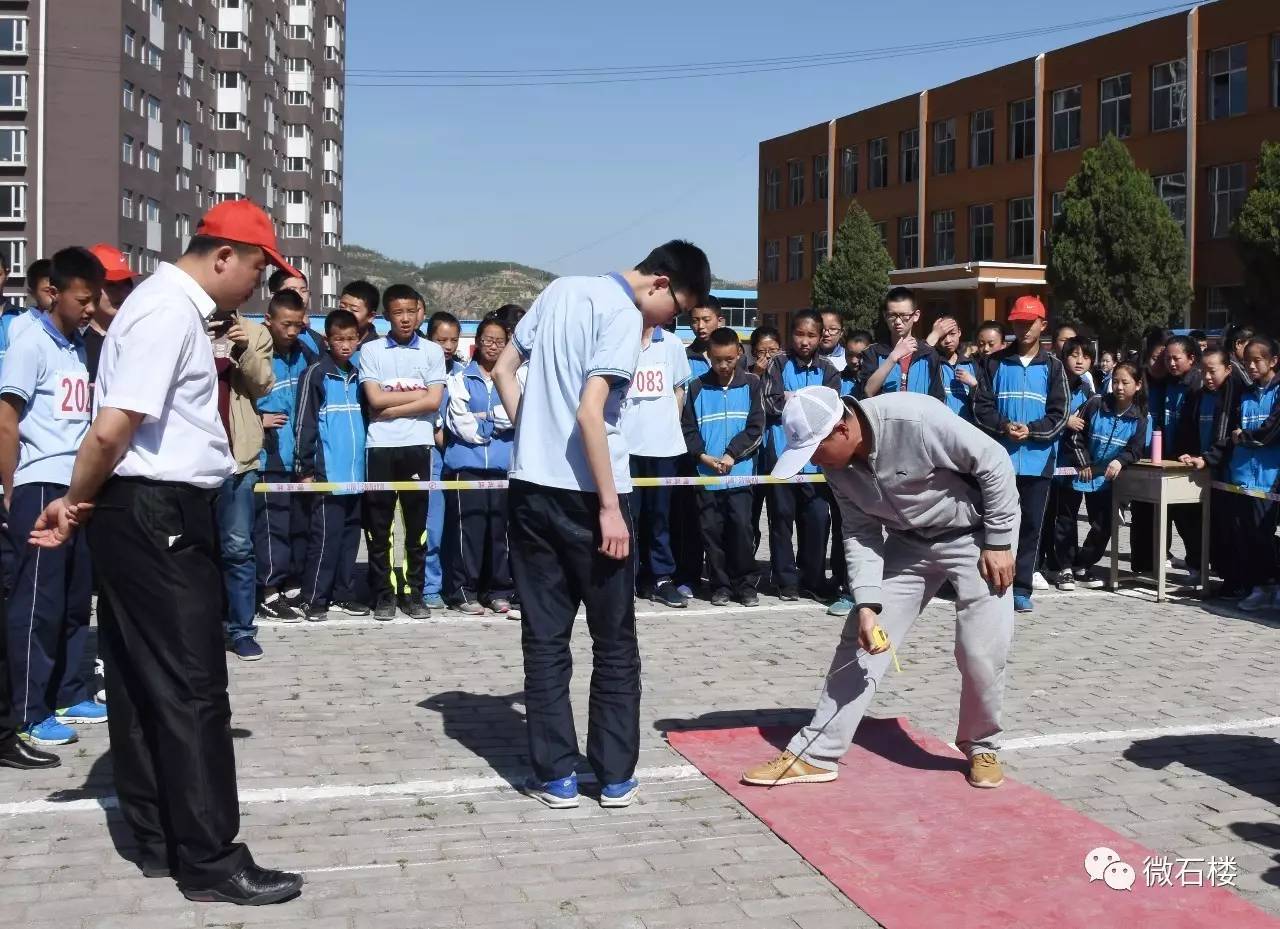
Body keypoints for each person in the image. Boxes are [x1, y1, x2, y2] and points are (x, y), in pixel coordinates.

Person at [28, 199, 304, 904]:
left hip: (144, 509)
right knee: (191, 687)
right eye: (256, 271)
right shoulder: (166, 312)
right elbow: (115, 426)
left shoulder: (164, 309)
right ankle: (210, 857)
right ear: (221, 257)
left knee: (142, 677)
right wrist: (73, 500)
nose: (258, 289)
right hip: (156, 510)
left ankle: (158, 837)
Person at [492, 239, 710, 810]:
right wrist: (611, 508)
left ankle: (556, 774)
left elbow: (502, 368)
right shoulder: (621, 314)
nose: (671, 323)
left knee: (545, 639)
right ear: (659, 283)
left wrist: (530, 431)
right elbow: (592, 412)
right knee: (613, 639)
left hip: (530, 487)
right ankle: (614, 773)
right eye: (678, 310)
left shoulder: (560, 289)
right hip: (591, 497)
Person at [741, 386, 1017, 790]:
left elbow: (993, 462)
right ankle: (815, 754)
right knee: (861, 640)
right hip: (908, 542)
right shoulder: (837, 467)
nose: (814, 461)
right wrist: (867, 604)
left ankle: (982, 745)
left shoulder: (915, 418)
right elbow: (859, 531)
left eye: (816, 449)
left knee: (980, 651)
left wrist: (999, 541)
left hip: (976, 536)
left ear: (841, 429)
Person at [0, 246, 105, 747]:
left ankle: (67, 690)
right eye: (82, 299)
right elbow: (6, 420)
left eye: (95, 299)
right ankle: (28, 709)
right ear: (53, 293)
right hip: (38, 485)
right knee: (36, 603)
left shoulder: (78, 347)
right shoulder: (29, 342)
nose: (89, 308)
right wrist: (9, 488)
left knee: (70, 602)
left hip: (77, 488)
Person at [972, 295, 1069, 613]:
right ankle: (986, 580)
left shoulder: (1054, 367)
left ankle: (1022, 587)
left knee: (1030, 525)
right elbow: (980, 407)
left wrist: (1032, 430)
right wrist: (1003, 426)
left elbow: (1060, 414)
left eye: (1030, 323)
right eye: (1018, 322)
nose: (1024, 328)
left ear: (1043, 325)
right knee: (992, 521)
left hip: (1038, 460)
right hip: (999, 458)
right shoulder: (994, 362)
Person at [359, 284, 445, 621]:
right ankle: (383, 594)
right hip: (380, 446)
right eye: (398, 312)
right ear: (386, 316)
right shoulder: (372, 351)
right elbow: (374, 399)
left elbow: (434, 400)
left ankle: (414, 593)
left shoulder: (432, 352)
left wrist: (392, 410)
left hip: (417, 446)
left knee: (415, 526)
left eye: (411, 311)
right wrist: (416, 397)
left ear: (420, 311)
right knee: (380, 528)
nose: (405, 318)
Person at [211, 264, 275, 661]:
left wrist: (241, 348)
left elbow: (262, 383)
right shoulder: (187, 327)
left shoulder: (255, 333)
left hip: (237, 457)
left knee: (237, 548)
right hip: (192, 457)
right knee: (195, 550)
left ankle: (241, 629)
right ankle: (201, 626)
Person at [294, 309, 369, 620]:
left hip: (357, 474)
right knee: (325, 538)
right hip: (328, 474)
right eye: (339, 339)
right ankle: (314, 598)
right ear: (327, 340)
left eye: (351, 339)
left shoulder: (359, 375)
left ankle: (343, 593)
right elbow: (304, 424)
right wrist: (305, 469)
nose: (346, 345)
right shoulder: (316, 374)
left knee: (351, 537)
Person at [681, 326, 763, 607]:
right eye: (718, 360)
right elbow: (688, 429)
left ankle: (746, 585)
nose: (724, 365)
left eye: (729, 359)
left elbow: (755, 429)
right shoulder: (697, 387)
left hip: (739, 475)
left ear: (740, 353)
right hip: (707, 477)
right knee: (712, 533)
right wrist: (703, 456)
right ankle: (720, 585)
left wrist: (731, 456)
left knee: (741, 529)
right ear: (709, 357)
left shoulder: (752, 384)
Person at [762, 308, 841, 601]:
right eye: (799, 334)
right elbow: (770, 403)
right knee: (781, 519)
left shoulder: (829, 370)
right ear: (790, 335)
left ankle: (813, 577)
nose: (804, 341)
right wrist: (806, 405)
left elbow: (831, 412)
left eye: (811, 335)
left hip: (816, 462)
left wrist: (794, 400)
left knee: (818, 519)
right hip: (782, 455)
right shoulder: (778, 364)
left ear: (822, 337)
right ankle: (785, 579)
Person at [441, 315, 516, 615]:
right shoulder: (458, 379)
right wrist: (494, 424)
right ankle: (463, 590)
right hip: (466, 467)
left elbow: (518, 416)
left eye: (500, 341)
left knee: (501, 533)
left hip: (503, 468)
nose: (493, 346)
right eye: (487, 340)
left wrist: (488, 418)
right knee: (466, 534)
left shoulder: (515, 379)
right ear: (477, 343)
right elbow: (460, 423)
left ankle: (498, 589)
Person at [621, 306, 693, 608]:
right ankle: (628, 576)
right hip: (625, 447)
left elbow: (679, 389)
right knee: (629, 517)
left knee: (660, 517)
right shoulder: (618, 341)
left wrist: (668, 424)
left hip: (663, 448)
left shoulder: (673, 345)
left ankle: (661, 578)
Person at [254, 289, 317, 620]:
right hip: (268, 458)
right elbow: (234, 400)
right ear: (269, 320)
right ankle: (267, 590)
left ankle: (288, 583)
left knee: (295, 524)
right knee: (271, 525)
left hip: (298, 458)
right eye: (285, 324)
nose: (292, 331)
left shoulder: (306, 354)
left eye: (297, 323)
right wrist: (257, 420)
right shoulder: (254, 354)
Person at [1062, 362, 1149, 587]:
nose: (1119, 387)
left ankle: (1083, 564)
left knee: (1104, 524)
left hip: (1105, 479)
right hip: (1077, 471)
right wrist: (1083, 463)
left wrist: (1121, 461)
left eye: (1125, 382)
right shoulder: (1095, 404)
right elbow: (1074, 435)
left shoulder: (1140, 417)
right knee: (1066, 522)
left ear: (1138, 385)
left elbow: (1136, 449)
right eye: (1116, 381)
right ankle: (1064, 568)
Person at [1224, 337, 1280, 611]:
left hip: (1269, 478)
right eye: (1247, 360)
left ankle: (1268, 585)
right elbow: (1231, 430)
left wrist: (1243, 437)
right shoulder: (1244, 393)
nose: (1252, 365)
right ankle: (1256, 585)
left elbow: (1271, 432)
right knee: (1244, 533)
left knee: (1264, 533)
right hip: (1242, 476)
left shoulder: (1278, 392)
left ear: (1273, 361)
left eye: (1258, 360)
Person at [1177, 349, 1239, 593]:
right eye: (1203, 371)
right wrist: (1185, 452)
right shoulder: (1198, 395)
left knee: (1226, 529)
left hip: (1225, 474)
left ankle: (1232, 579)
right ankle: (1200, 568)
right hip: (1200, 471)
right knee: (1193, 522)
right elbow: (1187, 429)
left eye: (1212, 371)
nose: (1207, 377)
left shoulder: (1234, 397)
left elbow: (1230, 437)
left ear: (1228, 369)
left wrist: (1209, 458)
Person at [422, 311, 465, 610]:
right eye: (441, 340)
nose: (447, 346)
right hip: (435, 456)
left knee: (458, 527)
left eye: (453, 340)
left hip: (461, 456)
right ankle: (429, 586)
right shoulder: (422, 369)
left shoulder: (463, 372)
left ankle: (455, 583)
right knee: (433, 527)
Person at [860, 288, 944, 400]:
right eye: (892, 315)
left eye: (904, 315)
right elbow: (867, 392)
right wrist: (893, 357)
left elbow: (938, 398)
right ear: (885, 316)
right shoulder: (873, 352)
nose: (898, 322)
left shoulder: (928, 354)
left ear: (916, 315)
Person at [83, 244, 138, 383]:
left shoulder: (138, 335)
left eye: (126, 283)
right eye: (111, 285)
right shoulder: (72, 340)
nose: (122, 292)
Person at [268, 268, 325, 356]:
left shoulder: (316, 340)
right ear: (273, 295)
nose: (299, 295)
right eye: (291, 290)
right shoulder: (257, 337)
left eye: (303, 290)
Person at [932, 314, 977, 419]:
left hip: (966, 427)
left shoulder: (972, 364)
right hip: (939, 426)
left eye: (952, 334)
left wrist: (975, 385)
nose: (948, 340)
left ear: (959, 332)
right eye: (942, 336)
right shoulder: (931, 364)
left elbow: (984, 402)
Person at [338, 280, 381, 360]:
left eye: (354, 310)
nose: (345, 313)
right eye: (342, 307)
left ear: (371, 316)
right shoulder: (329, 345)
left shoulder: (378, 352)